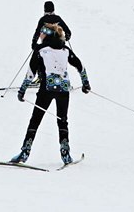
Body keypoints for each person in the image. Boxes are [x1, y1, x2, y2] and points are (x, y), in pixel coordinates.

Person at [11, 23, 91, 165]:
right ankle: (65, 153)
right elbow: (80, 66)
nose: (40, 35)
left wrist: (22, 90)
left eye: (42, 33)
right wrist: (86, 83)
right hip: (64, 90)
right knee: (62, 120)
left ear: (47, 33)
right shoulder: (65, 49)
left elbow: (31, 73)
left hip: (46, 90)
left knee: (35, 120)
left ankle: (25, 152)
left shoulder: (40, 50)